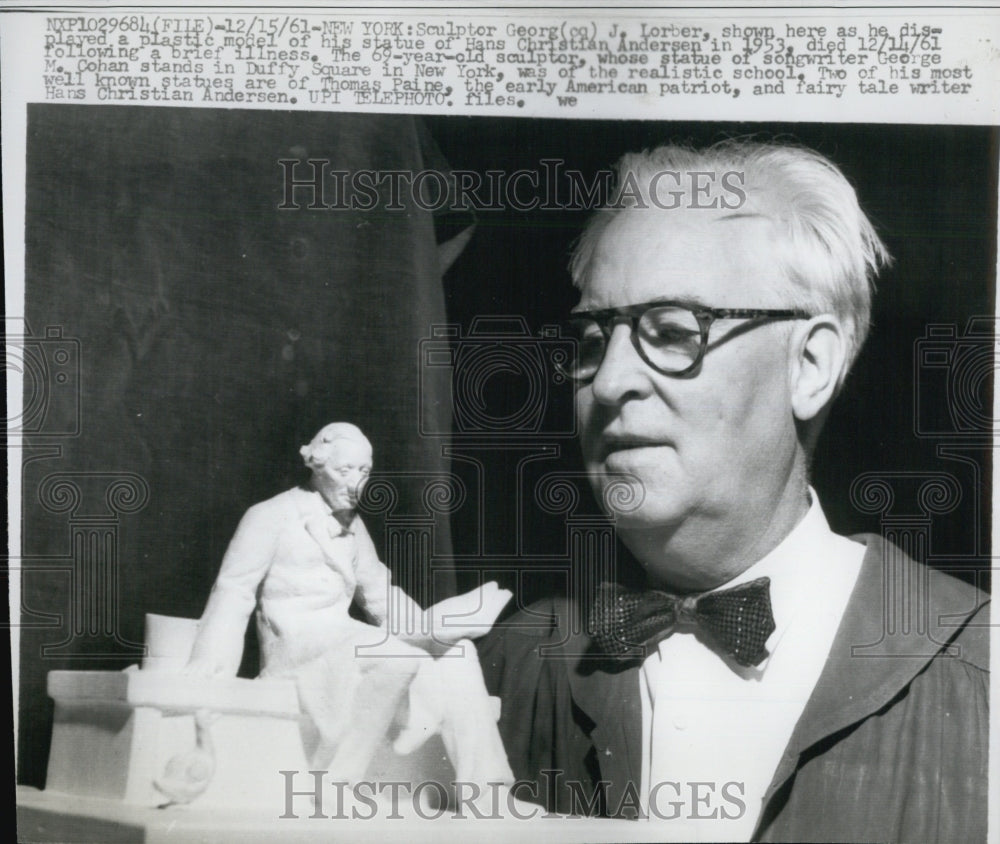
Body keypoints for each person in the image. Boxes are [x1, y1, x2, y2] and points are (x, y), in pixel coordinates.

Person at [478, 141, 989, 841]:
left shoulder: (976, 675)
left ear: (810, 365)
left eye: (671, 331)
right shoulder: (512, 666)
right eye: (593, 338)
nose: (607, 381)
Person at [186, 422, 513, 786]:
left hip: (342, 640)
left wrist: (437, 630)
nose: (357, 484)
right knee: (396, 657)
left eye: (364, 472)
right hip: (295, 645)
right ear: (317, 464)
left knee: (459, 653)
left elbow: (380, 595)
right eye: (345, 471)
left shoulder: (354, 527)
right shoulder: (269, 515)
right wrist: (210, 661)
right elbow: (234, 591)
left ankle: (488, 792)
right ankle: (338, 782)